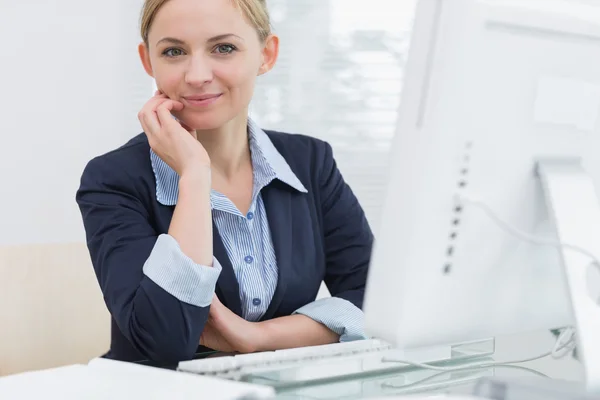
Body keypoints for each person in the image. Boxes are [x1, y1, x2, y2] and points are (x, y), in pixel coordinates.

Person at [76, 0, 373, 363]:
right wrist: (195, 176)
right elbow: (163, 340)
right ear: (148, 61)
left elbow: (375, 299)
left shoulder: (310, 163)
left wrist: (257, 337)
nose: (197, 74)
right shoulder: (113, 180)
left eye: (223, 48)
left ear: (266, 54)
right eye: (173, 51)